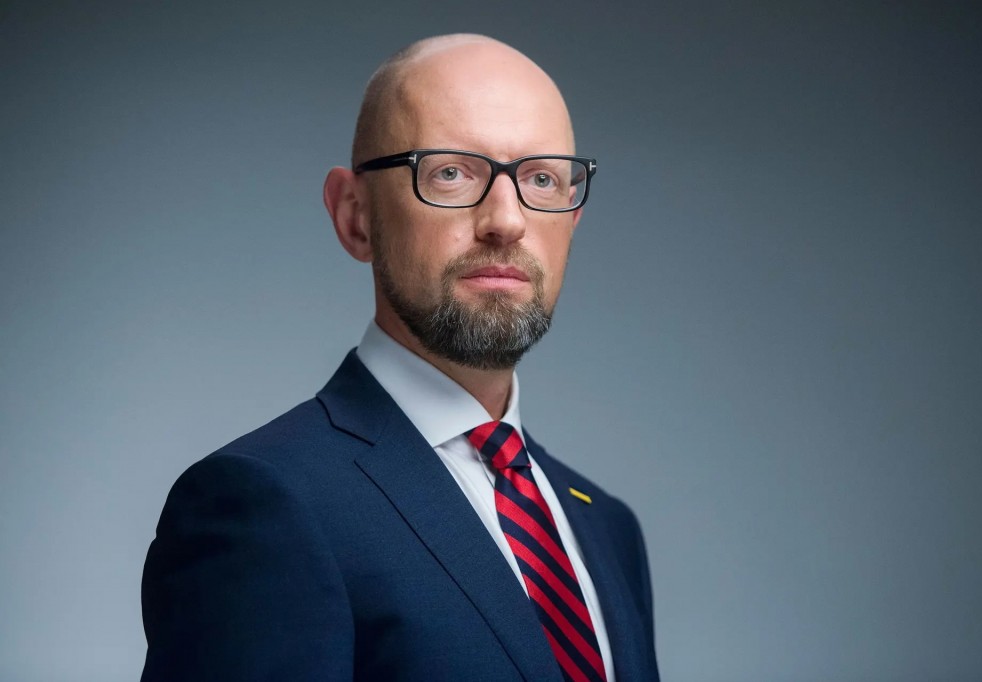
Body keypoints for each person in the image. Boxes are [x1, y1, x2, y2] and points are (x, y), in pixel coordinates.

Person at [140, 34, 659, 682]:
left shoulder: (606, 528)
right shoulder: (264, 504)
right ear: (355, 216)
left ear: (571, 220)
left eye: (541, 179)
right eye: (451, 172)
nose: (507, 220)